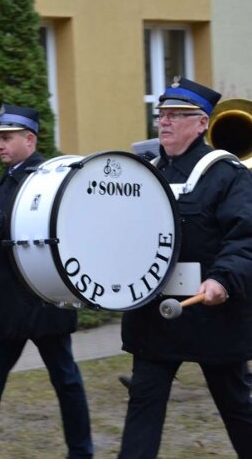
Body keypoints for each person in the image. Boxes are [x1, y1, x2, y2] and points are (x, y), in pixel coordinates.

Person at [118, 77, 252, 458]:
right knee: (143, 405)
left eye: (177, 115)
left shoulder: (228, 175)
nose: (165, 122)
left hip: (214, 316)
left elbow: (245, 237)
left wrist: (223, 280)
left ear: (202, 123)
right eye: (161, 114)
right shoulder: (146, 175)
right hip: (156, 316)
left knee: (237, 407)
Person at [0, 105, 93, 459]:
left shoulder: (51, 179)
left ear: (30, 139)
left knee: (66, 380)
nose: (0, 145)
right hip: (3, 305)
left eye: (8, 138)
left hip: (43, 299)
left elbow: (58, 226)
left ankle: (82, 451)